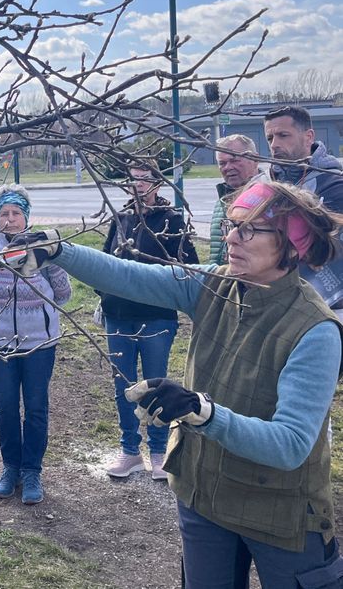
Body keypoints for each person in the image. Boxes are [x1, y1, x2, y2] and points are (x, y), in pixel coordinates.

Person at [12, 181, 343, 588]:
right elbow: (131, 276)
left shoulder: (316, 331)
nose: (231, 237)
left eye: (250, 229)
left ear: (292, 245)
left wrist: (204, 414)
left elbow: (291, 445)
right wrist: (60, 251)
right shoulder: (213, 283)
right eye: (233, 225)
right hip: (203, 496)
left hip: (282, 514)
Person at [0, 184, 71, 505]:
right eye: (4, 213)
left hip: (39, 344)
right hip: (0, 342)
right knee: (5, 407)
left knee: (36, 407)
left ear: (26, 216)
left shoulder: (45, 248)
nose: (10, 220)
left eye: (16, 213)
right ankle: (10, 468)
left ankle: (32, 471)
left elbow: (64, 293)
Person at [99, 163, 198, 481]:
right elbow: (104, 261)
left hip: (156, 317)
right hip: (118, 317)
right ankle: (130, 451)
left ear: (158, 184)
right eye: (132, 179)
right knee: (123, 385)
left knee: (155, 384)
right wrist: (104, 296)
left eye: (145, 179)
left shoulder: (171, 220)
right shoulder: (121, 218)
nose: (138, 185)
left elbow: (189, 266)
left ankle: (157, 451)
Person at [265, 105, 343, 307]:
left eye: (283, 135)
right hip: (280, 298)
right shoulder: (267, 183)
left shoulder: (333, 184)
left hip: (330, 305)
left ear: (308, 137)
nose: (274, 145)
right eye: (270, 138)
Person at [210, 135, 263, 265]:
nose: (228, 167)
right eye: (222, 163)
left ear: (255, 159)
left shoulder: (267, 199)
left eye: (234, 161)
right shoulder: (222, 201)